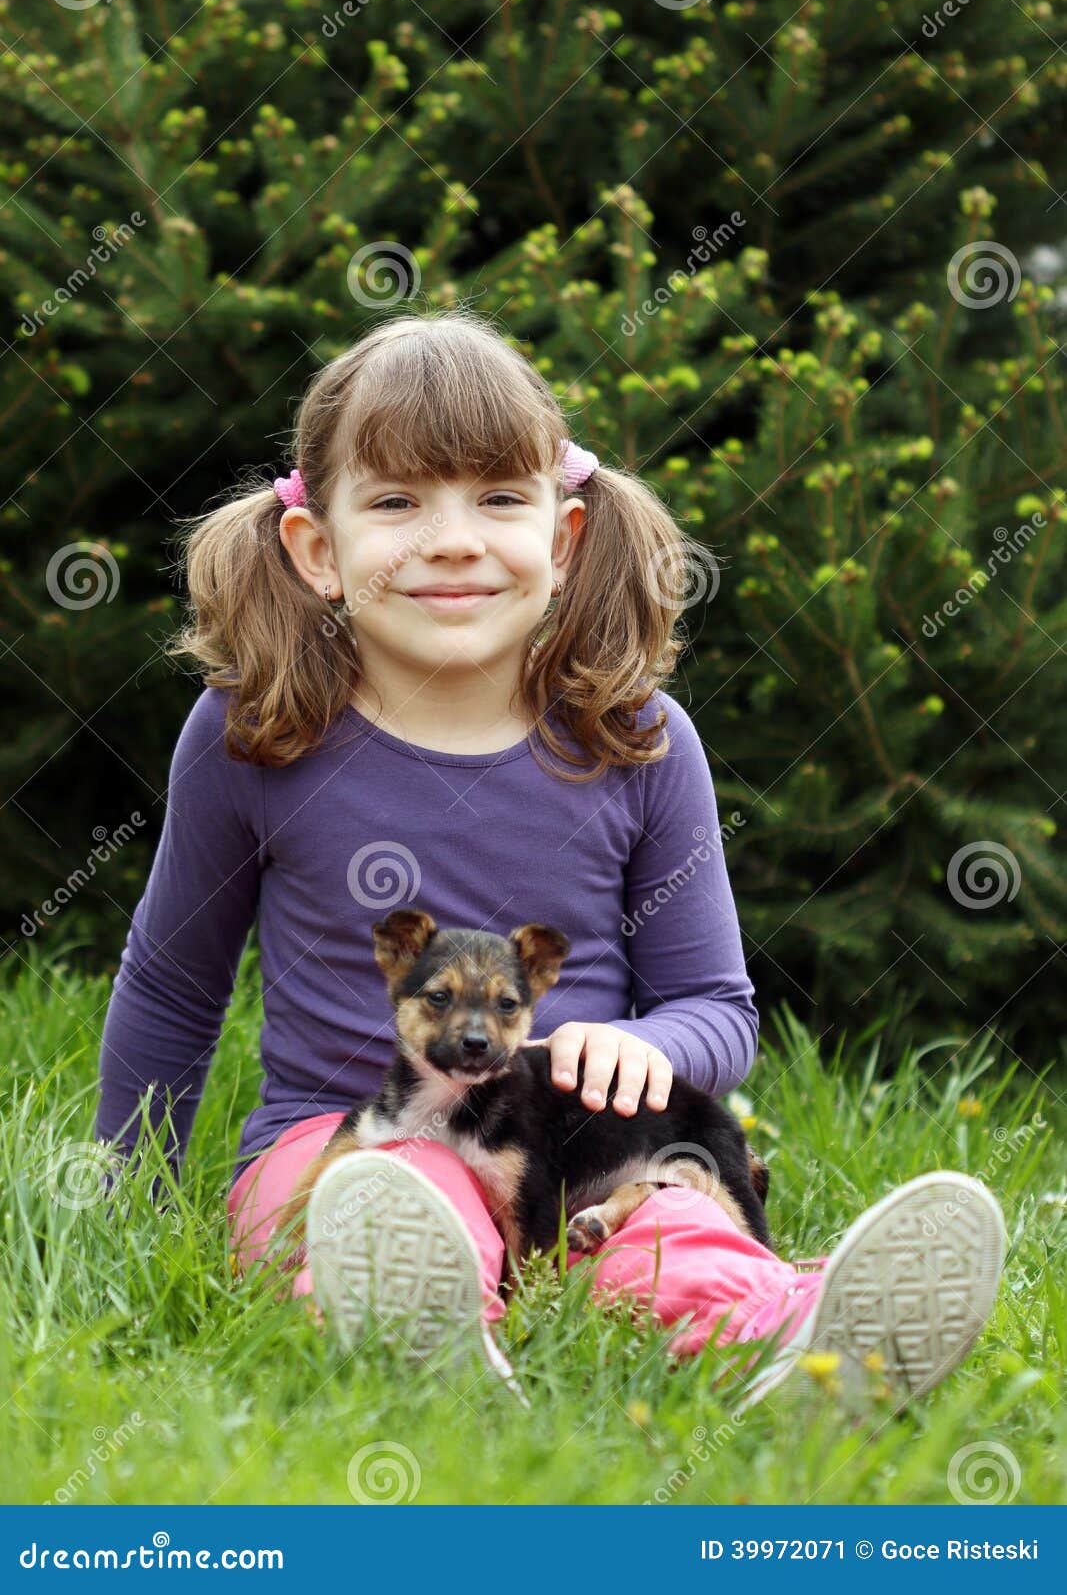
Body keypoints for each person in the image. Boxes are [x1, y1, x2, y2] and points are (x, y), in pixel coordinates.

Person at [93, 308, 1005, 1407]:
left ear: (563, 539)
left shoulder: (635, 741)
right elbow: (171, 985)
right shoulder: (258, 730)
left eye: (498, 499)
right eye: (395, 502)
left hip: (581, 1154)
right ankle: (423, 1341)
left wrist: (644, 1047)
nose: (452, 539)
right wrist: (125, 1206)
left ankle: (798, 1340)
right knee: (384, 1198)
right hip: (343, 1141)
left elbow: (714, 1005)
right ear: (317, 551)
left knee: (667, 1217)